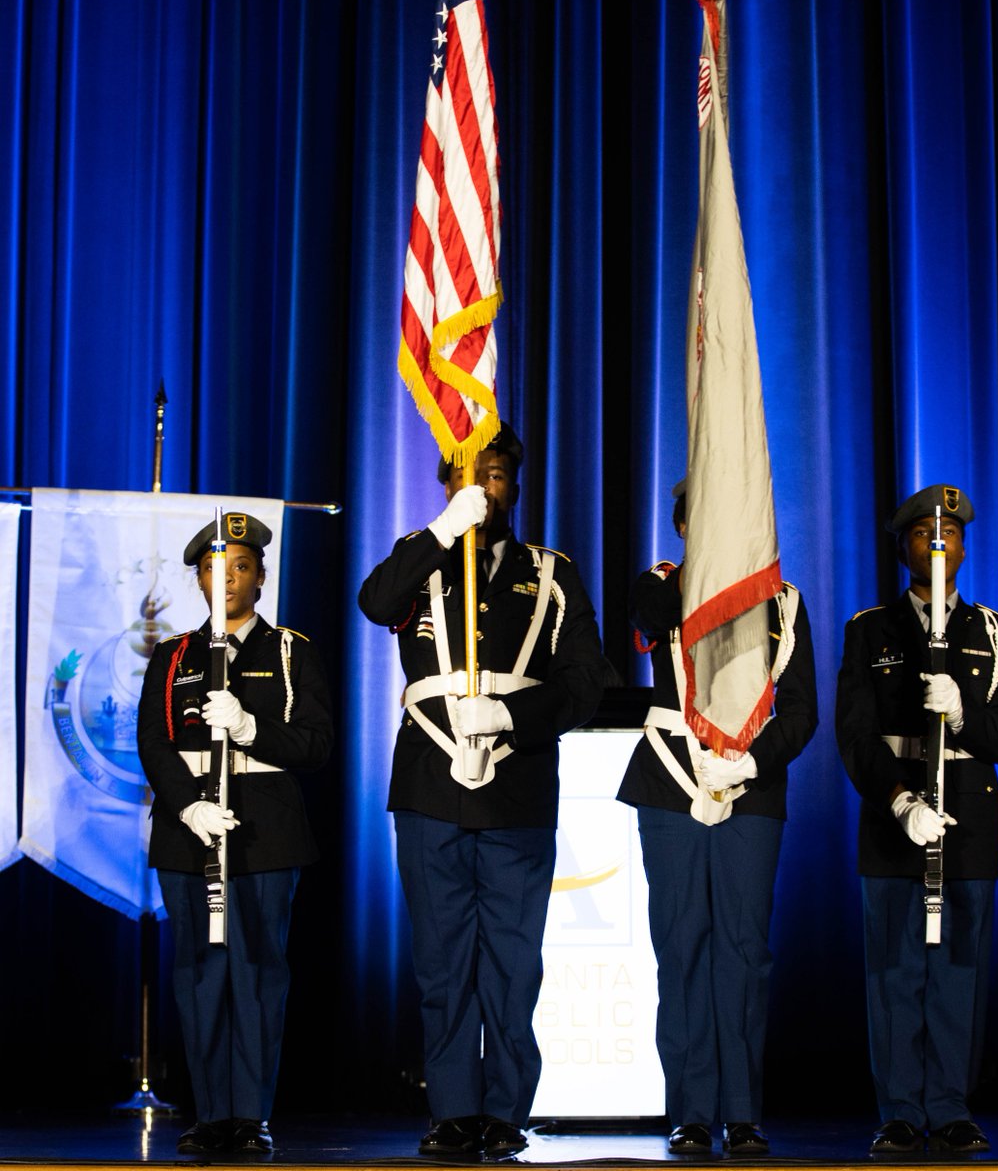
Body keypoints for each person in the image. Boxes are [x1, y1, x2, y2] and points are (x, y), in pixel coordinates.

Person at [357, 422, 608, 1159]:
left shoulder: (552, 573)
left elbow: (586, 683)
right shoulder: (422, 561)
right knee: (441, 962)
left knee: (511, 961)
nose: (484, 489)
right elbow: (375, 602)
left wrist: (510, 713)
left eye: (495, 477)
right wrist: (442, 530)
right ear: (447, 486)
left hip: (518, 787)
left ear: (515, 487)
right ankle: (452, 1110)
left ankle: (503, 1110)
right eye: (470, 478)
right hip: (431, 784)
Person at [616, 481, 818, 1156]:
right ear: (679, 524)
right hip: (671, 782)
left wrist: (751, 763)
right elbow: (651, 619)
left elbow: (801, 711)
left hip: (749, 790)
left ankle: (741, 1110)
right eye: (698, 516)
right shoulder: (661, 583)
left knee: (742, 950)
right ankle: (691, 1110)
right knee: (682, 949)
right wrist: (708, 562)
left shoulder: (783, 604)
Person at [835, 485, 998, 1155]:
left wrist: (965, 714)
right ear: (903, 548)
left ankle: (949, 1105)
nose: (939, 542)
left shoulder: (996, 635)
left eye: (950, 532)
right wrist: (900, 802)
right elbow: (856, 737)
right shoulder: (869, 630)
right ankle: (897, 1109)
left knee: (956, 972)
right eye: (925, 533)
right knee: (893, 972)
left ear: (966, 548)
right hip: (896, 817)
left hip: (968, 821)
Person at [137, 513, 334, 1155]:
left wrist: (252, 728)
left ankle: (250, 1116)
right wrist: (190, 807)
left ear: (261, 579)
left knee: (256, 971)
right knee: (199, 973)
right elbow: (153, 742)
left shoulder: (289, 652)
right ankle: (210, 1113)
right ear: (198, 579)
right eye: (213, 569)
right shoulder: (172, 659)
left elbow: (315, 744)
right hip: (186, 832)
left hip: (265, 836)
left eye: (240, 567)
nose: (226, 579)